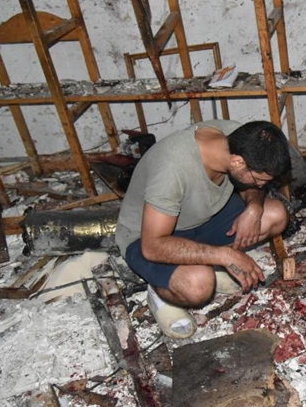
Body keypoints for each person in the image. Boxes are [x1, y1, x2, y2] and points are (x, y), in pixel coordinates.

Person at [115, 120, 292, 338]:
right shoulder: (172, 167)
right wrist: (224, 255)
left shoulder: (235, 138)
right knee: (198, 285)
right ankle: (158, 290)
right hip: (147, 238)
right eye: (260, 180)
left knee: (275, 215)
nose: (261, 186)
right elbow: (152, 246)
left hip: (201, 220)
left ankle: (206, 261)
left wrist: (254, 207)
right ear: (238, 163)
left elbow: (249, 186)